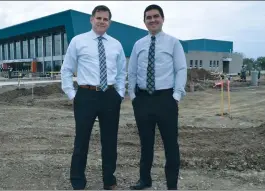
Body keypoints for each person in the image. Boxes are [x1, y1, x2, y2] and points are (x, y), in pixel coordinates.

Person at [60, 5, 127, 190]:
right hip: (85, 95)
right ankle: (78, 181)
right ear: (91, 19)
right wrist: (72, 94)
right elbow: (66, 70)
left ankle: (109, 180)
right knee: (81, 140)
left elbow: (122, 72)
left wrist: (119, 94)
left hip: (110, 96)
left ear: (109, 22)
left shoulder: (116, 45)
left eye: (105, 19)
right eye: (99, 18)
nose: (101, 22)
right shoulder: (78, 41)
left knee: (110, 140)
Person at [127, 4, 187, 190]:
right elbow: (132, 72)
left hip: (166, 99)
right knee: (146, 143)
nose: (152, 20)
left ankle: (171, 185)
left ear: (162, 19)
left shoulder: (173, 43)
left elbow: (181, 69)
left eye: (156, 16)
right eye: (148, 17)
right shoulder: (138, 45)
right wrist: (133, 96)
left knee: (171, 144)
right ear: (144, 21)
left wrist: (176, 96)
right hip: (143, 100)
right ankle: (144, 180)